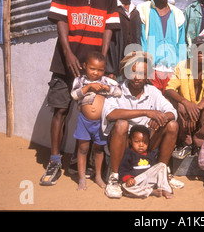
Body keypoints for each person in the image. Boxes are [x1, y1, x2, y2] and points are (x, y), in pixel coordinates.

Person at [40, 0, 120, 186]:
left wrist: (103, 58)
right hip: (67, 63)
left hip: (94, 68)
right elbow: (61, 21)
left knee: (92, 114)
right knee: (61, 110)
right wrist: (68, 53)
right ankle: (54, 161)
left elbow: (109, 27)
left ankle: (79, 160)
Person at [101, 51, 184, 198]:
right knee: (121, 124)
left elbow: (172, 112)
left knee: (172, 125)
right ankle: (114, 178)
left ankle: (162, 173)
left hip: (146, 141)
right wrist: (145, 112)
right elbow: (110, 114)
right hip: (124, 143)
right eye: (133, 72)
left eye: (142, 73)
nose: (138, 77)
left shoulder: (152, 91)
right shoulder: (117, 90)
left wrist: (162, 118)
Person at [70, 51, 122, 190]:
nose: (96, 73)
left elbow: (119, 91)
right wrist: (88, 88)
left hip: (101, 123)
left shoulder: (105, 81)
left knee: (99, 149)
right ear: (84, 66)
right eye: (92, 69)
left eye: (100, 70)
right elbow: (74, 95)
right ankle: (82, 178)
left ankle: (98, 176)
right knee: (83, 148)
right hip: (84, 121)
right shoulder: (80, 81)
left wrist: (107, 88)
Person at [165, 36, 204, 157]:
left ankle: (201, 143)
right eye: (197, 48)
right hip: (186, 112)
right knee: (177, 103)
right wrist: (186, 103)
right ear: (192, 51)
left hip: (202, 110)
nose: (200, 52)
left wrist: (197, 108)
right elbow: (169, 89)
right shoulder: (182, 66)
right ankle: (186, 143)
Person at [137, 0, 186, 93]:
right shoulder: (143, 9)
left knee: (170, 108)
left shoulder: (178, 14)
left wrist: (180, 72)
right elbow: (141, 40)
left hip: (172, 72)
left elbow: (181, 45)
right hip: (151, 70)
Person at [106, 0, 142, 80]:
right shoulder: (111, 8)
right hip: (113, 68)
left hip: (130, 68)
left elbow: (137, 40)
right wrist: (109, 69)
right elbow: (107, 40)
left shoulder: (135, 12)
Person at [119, 125, 173, 199]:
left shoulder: (150, 153)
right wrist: (128, 179)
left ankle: (165, 189)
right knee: (124, 188)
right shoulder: (128, 154)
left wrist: (165, 175)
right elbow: (123, 169)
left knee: (162, 165)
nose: (141, 145)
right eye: (137, 142)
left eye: (145, 142)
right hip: (136, 182)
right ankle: (151, 192)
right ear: (130, 141)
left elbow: (155, 169)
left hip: (149, 180)